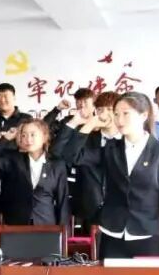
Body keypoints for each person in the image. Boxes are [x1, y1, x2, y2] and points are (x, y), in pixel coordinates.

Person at [61, 92, 159, 260]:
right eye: (116, 114)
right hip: (112, 233)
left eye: (126, 114)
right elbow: (71, 156)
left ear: (144, 115)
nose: (119, 120)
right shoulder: (111, 149)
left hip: (147, 235)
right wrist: (89, 124)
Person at [52, 91, 121, 229]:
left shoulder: (127, 139)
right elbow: (61, 154)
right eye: (100, 109)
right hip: (89, 209)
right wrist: (85, 125)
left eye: (109, 109)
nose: (104, 114)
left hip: (122, 210)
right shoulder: (85, 137)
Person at [0, 119, 69, 227]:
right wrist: (5, 139)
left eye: (33, 135)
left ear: (44, 137)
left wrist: (63, 231)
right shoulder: (13, 159)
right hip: (16, 224)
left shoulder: (57, 164)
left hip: (46, 224)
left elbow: (63, 201)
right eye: (24, 135)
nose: (28, 139)